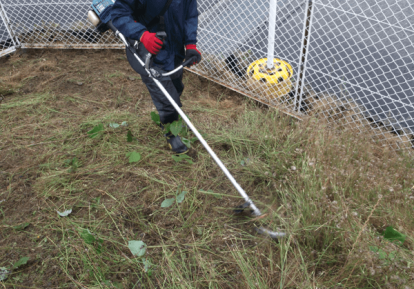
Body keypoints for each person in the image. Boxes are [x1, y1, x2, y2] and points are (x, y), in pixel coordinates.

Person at [111, 0, 201, 154]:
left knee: (177, 87)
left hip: (175, 51)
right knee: (167, 99)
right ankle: (170, 132)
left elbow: (190, 15)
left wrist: (191, 44)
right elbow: (119, 14)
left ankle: (171, 118)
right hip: (149, 53)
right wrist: (142, 35)